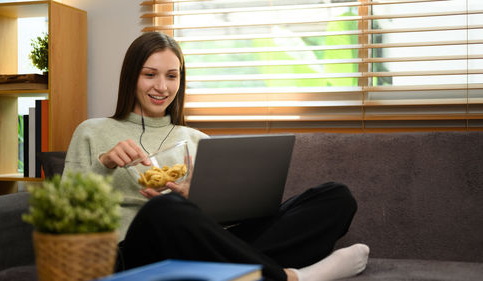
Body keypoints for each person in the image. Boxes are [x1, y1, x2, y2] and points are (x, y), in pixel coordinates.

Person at [63, 32, 369, 281]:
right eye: (150, 75)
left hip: (204, 249)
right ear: (131, 77)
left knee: (335, 197)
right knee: (165, 208)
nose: (161, 87)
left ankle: (239, 271)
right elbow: (65, 215)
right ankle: (291, 277)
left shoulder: (198, 140)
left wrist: (200, 203)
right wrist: (104, 165)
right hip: (131, 256)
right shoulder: (92, 131)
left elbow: (221, 226)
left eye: (172, 76)